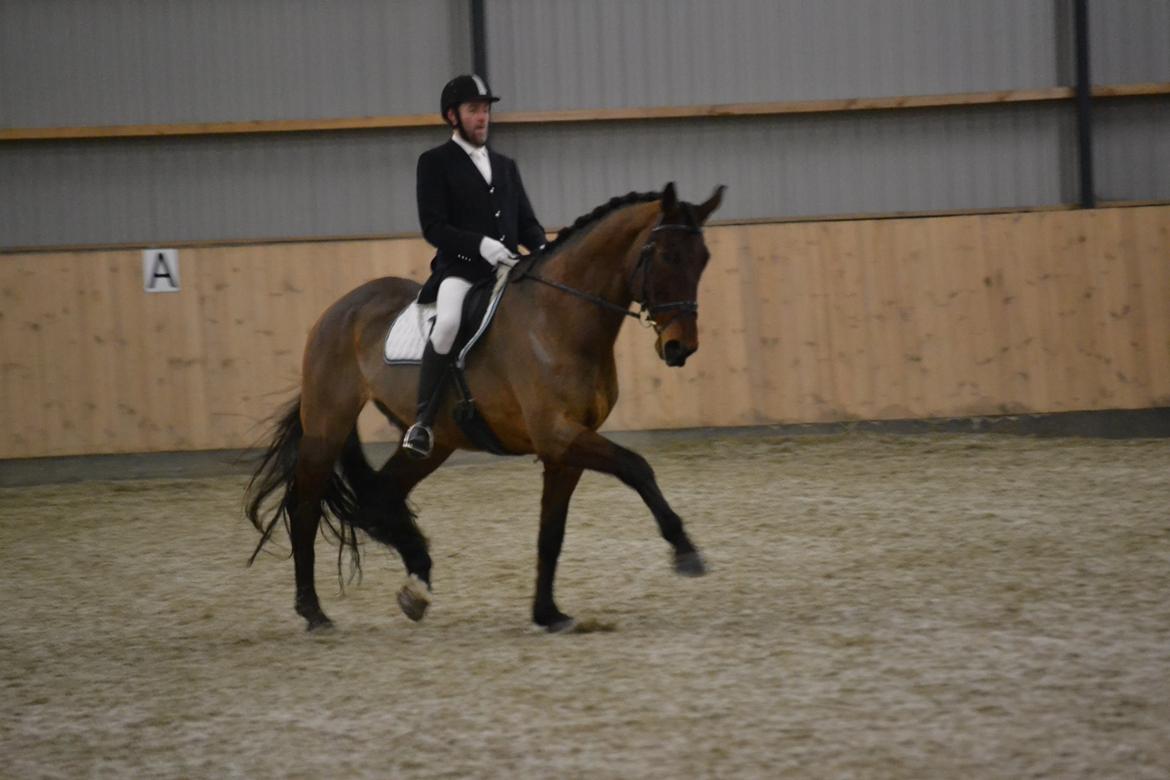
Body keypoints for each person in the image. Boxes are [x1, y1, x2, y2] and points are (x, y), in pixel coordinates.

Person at [402, 74, 547, 458]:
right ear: (453, 116)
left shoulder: (505, 166)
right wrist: (480, 245)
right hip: (460, 271)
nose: (482, 117)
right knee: (448, 323)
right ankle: (422, 422)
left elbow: (528, 223)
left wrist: (545, 248)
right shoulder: (434, 163)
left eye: (485, 110)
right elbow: (433, 226)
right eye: (473, 110)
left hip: (509, 270)